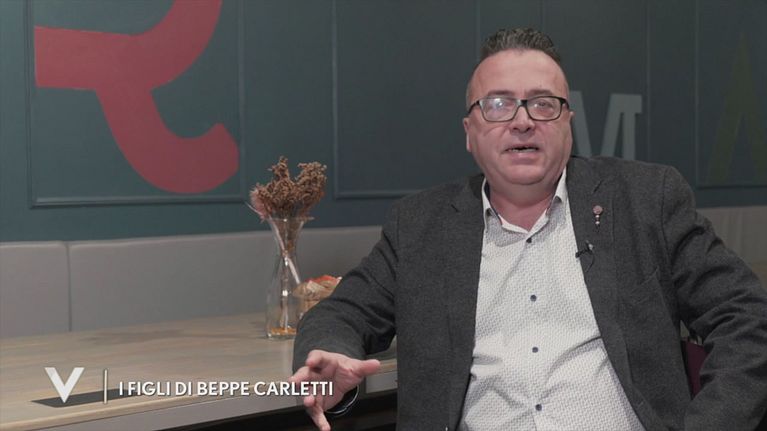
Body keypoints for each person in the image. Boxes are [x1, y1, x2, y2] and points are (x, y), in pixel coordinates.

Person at [289, 28, 767, 430]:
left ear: (568, 124)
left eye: (543, 104)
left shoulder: (646, 199)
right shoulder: (419, 226)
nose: (522, 122)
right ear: (469, 133)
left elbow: (746, 316)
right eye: (498, 105)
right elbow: (342, 314)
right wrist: (329, 352)